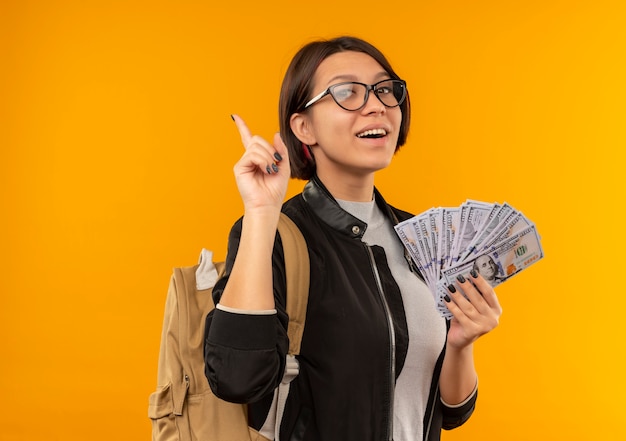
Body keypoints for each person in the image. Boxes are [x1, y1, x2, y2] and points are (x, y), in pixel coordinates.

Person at [204, 36, 502, 441]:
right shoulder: (277, 235)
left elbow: (450, 411)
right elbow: (237, 380)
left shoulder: (421, 240)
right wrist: (260, 212)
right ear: (303, 126)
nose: (377, 104)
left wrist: (462, 343)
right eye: (347, 92)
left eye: (384, 89)